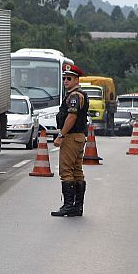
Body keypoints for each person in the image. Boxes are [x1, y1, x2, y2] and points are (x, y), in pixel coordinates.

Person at [51, 63, 89, 217]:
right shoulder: (79, 94)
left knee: (66, 171)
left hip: (71, 137)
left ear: (76, 80)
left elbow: (72, 117)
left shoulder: (74, 96)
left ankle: (68, 206)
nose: (66, 81)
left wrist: (61, 135)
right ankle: (77, 207)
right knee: (77, 171)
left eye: (69, 78)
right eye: (64, 78)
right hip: (79, 137)